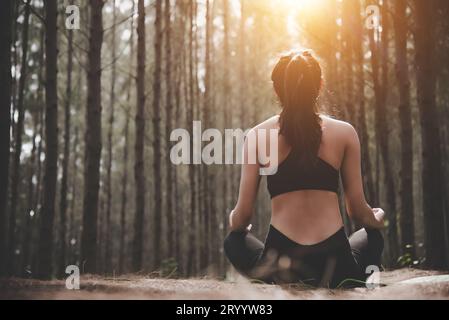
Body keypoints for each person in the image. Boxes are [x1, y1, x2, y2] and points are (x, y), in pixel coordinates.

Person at [223, 50, 385, 288]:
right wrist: (376, 218)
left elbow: (243, 215)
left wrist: (234, 221)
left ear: (278, 89)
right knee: (373, 236)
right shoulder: (345, 132)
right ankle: (346, 275)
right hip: (336, 265)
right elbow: (357, 211)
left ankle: (277, 278)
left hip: (280, 265)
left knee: (233, 241)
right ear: (319, 85)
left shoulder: (258, 136)